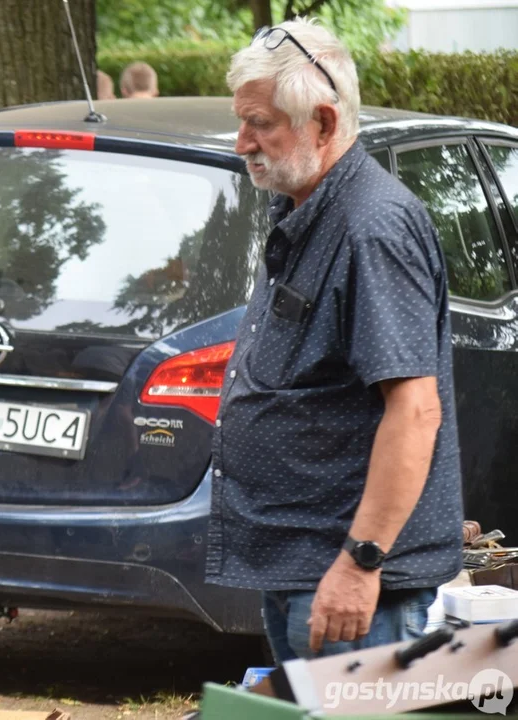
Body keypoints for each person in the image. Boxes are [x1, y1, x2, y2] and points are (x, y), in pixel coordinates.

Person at [206, 18, 463, 662]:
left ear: (322, 122)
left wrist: (361, 562)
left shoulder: (371, 227)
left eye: (260, 123)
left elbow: (415, 411)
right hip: (303, 568)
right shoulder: (304, 205)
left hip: (351, 583)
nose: (243, 142)